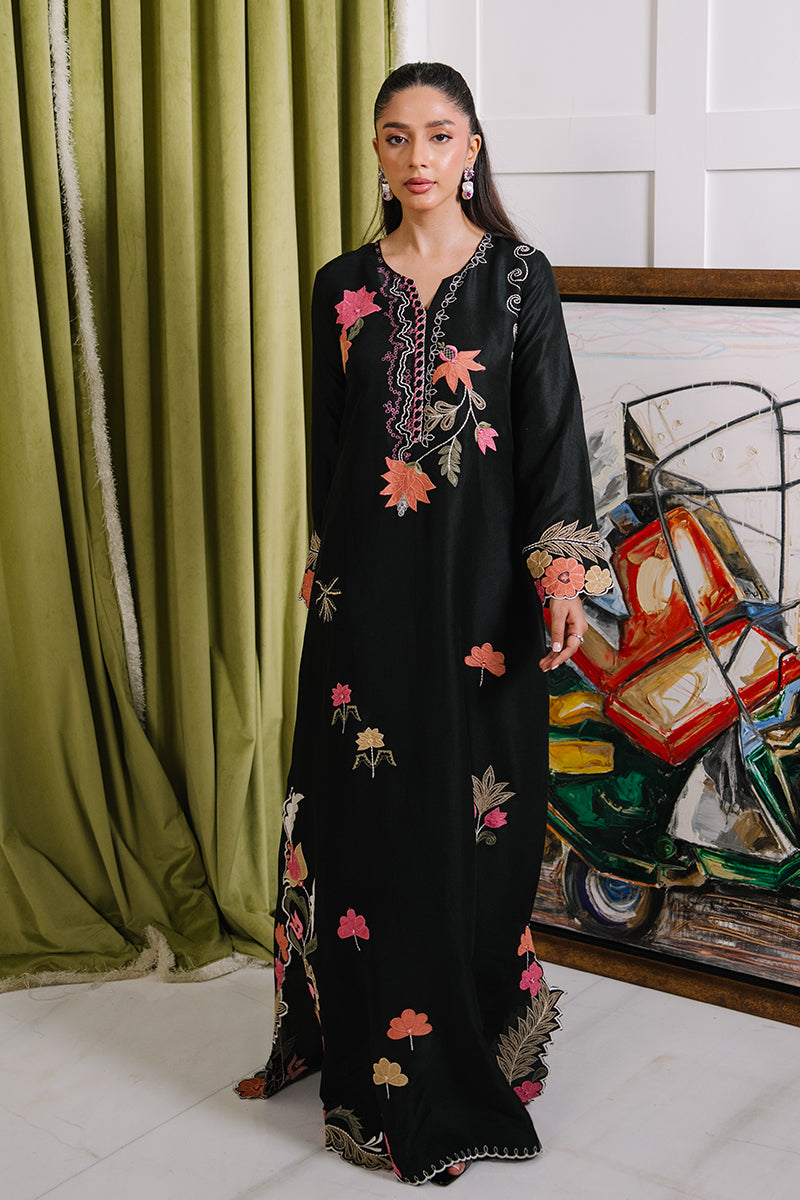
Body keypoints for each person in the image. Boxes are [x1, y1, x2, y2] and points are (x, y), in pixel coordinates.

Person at [237, 61, 612, 1185]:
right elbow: (331, 449)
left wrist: (559, 578)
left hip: (479, 602)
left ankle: (454, 1055)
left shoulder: (518, 281)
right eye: (396, 137)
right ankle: (355, 1046)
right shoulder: (339, 287)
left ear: (471, 148)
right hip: (361, 598)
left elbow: (551, 439)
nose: (417, 157)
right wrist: (320, 564)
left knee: (468, 820)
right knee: (361, 819)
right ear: (375, 152)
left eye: (438, 135)